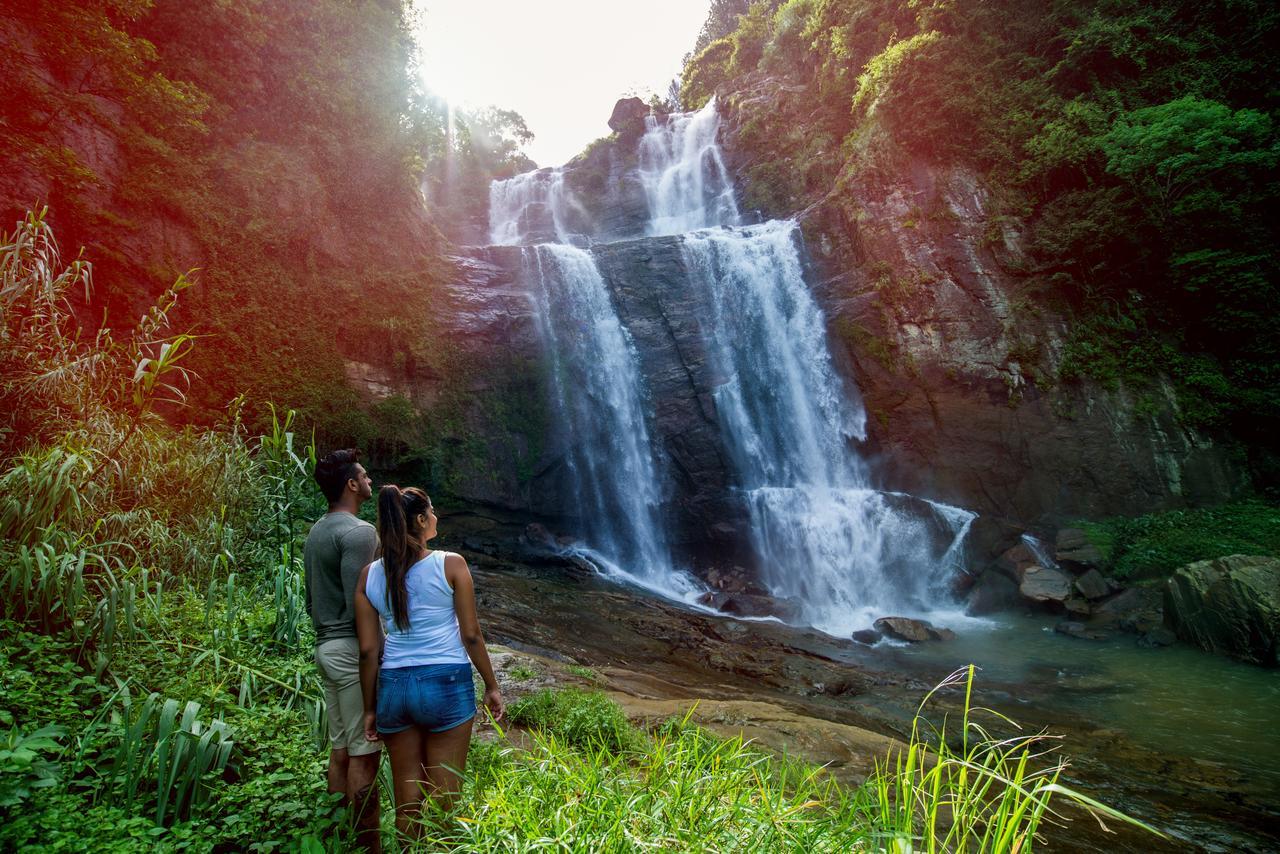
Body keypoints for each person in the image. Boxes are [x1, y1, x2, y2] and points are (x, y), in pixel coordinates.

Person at [355, 485, 503, 845]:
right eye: (432, 512)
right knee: (445, 800)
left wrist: (370, 709)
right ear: (421, 520)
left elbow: (369, 651)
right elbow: (471, 635)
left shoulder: (368, 576)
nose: (436, 517)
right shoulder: (451, 564)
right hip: (446, 683)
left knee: (408, 803)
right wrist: (492, 685)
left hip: (394, 688)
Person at [303, 449, 381, 852]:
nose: (370, 480)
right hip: (352, 652)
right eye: (364, 475)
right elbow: (362, 606)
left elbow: (310, 600)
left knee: (341, 749)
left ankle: (335, 837)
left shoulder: (317, 530)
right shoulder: (360, 533)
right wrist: (379, 656)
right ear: (351, 484)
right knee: (365, 754)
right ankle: (367, 845)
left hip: (325, 647)